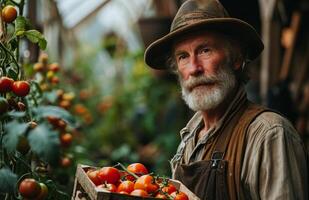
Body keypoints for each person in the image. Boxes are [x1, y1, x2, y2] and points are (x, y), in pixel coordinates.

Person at [144, 0, 309, 199]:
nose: (194, 68)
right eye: (183, 57)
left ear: (236, 58)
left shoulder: (269, 135)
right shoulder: (190, 137)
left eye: (205, 50)